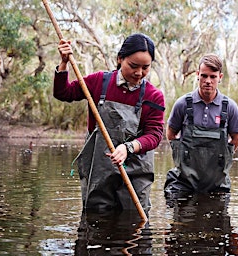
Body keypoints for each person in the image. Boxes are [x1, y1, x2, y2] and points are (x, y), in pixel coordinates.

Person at [53, 33, 165, 213]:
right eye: (133, 66)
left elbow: (154, 135)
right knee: (96, 217)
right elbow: (63, 93)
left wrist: (128, 148)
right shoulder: (98, 82)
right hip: (99, 168)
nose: (139, 73)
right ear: (120, 59)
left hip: (136, 168)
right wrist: (64, 62)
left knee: (134, 219)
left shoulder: (154, 96)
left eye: (146, 67)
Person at [164, 53, 238, 194]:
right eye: (204, 76)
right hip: (184, 181)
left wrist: (223, 157)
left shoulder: (230, 107)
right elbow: (171, 134)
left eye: (213, 76)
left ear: (220, 77)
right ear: (197, 75)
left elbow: (237, 138)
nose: (208, 81)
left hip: (217, 182)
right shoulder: (182, 104)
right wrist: (183, 156)